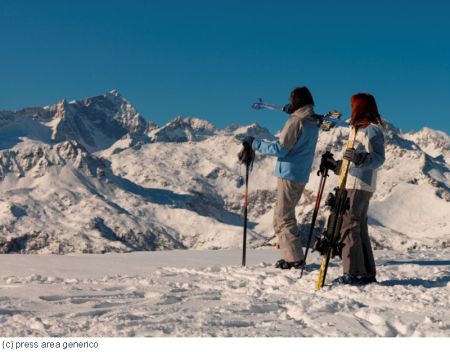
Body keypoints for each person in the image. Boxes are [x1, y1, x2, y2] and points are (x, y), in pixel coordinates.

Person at [240, 87, 321, 269]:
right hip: (300, 173)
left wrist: (255, 143)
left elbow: (280, 149)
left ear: (296, 102)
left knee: (283, 217)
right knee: (283, 216)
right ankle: (291, 255)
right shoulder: (312, 122)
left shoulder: (296, 122)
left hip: (289, 173)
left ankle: (294, 259)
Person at [321, 93, 385, 285]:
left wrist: (360, 159)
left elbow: (378, 158)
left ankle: (354, 272)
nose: (351, 108)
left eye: (353, 105)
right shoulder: (356, 129)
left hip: (359, 185)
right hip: (353, 182)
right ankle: (365, 272)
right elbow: (352, 162)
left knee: (349, 226)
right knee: (358, 228)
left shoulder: (372, 130)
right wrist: (334, 165)